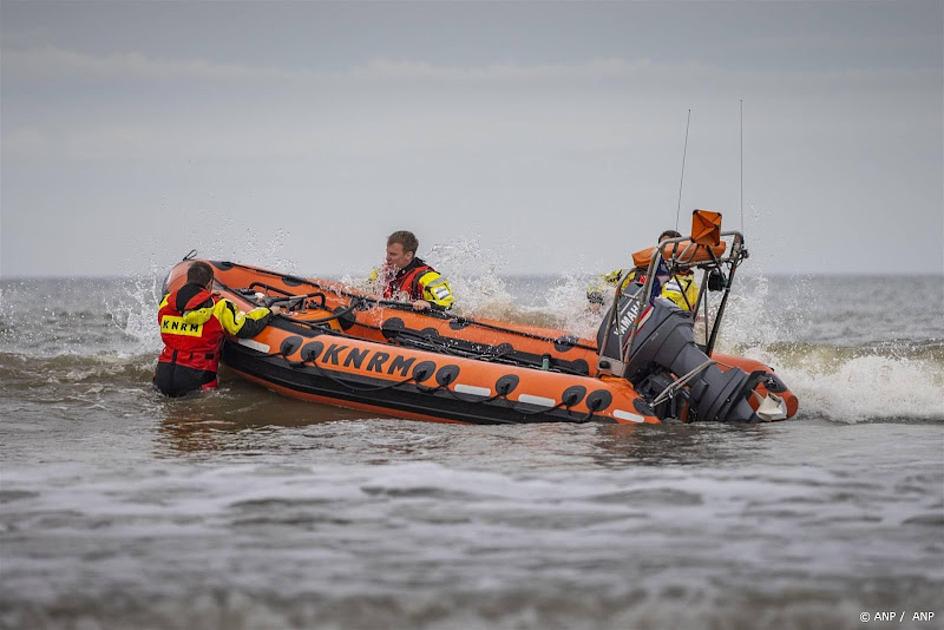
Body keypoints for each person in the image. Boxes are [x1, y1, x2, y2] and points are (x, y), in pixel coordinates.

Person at [154, 261, 278, 397]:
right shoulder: (220, 306)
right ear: (210, 283)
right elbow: (245, 328)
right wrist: (269, 311)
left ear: (187, 280)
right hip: (196, 379)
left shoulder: (166, 302)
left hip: (163, 376)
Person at [586, 229, 699, 311]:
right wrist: (596, 299)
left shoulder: (686, 283)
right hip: (623, 325)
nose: (666, 253)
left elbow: (665, 306)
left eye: (670, 249)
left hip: (658, 329)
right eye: (663, 248)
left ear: (679, 253)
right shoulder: (636, 273)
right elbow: (599, 281)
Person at [369, 230, 454, 311]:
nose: (387, 258)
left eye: (393, 254)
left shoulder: (428, 278)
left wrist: (428, 304)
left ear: (408, 255)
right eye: (387, 253)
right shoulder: (380, 274)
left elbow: (448, 302)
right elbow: (366, 289)